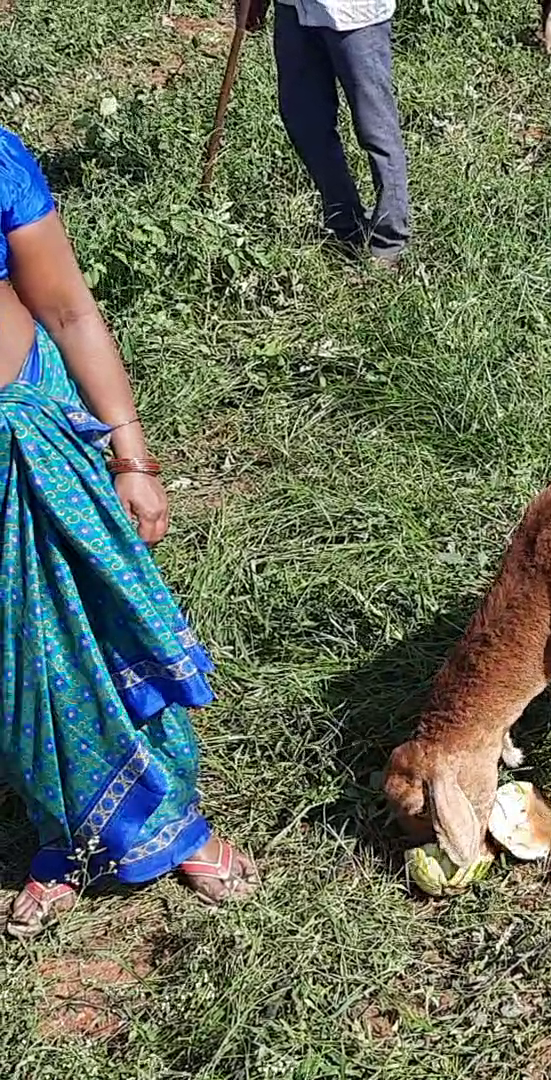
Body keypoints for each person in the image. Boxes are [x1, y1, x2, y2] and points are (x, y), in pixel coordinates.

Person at [0, 125, 259, 939]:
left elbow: (70, 310)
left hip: (30, 437)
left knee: (105, 641)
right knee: (18, 671)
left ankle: (177, 827)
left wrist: (132, 458)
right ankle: (63, 835)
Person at [246, 0, 412, 265]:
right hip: (295, 10)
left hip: (356, 15)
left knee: (375, 127)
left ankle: (389, 240)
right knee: (305, 121)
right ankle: (345, 226)